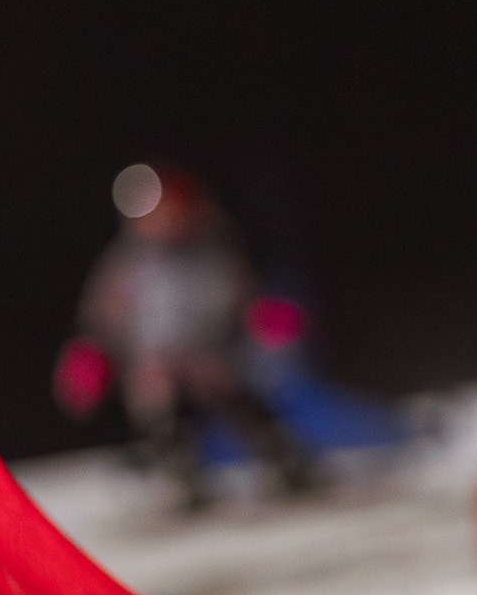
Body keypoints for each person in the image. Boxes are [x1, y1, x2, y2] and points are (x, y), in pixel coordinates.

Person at [57, 163, 312, 504]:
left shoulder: (214, 254)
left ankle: (281, 455)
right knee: (154, 395)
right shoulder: (128, 266)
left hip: (210, 354)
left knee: (226, 388)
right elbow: (104, 316)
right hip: (153, 362)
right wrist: (89, 358)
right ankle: (180, 471)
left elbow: (240, 299)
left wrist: (263, 317)